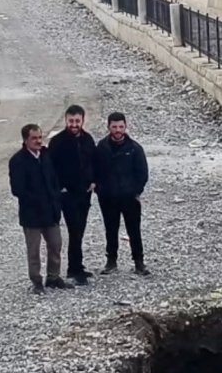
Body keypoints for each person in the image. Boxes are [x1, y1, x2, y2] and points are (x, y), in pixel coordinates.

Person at [9, 124, 72, 294]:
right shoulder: (17, 161)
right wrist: (37, 200)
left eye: (39, 137)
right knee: (34, 250)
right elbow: (17, 189)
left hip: (51, 211)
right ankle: (36, 281)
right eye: (34, 138)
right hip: (32, 214)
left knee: (56, 245)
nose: (38, 141)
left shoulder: (46, 156)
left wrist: (56, 198)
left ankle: (53, 277)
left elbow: (54, 178)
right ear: (25, 140)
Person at [93, 112, 150, 276]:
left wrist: (136, 191)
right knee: (110, 230)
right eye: (114, 127)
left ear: (125, 127)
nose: (118, 130)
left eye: (121, 127)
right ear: (108, 127)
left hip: (129, 198)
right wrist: (100, 191)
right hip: (108, 198)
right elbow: (95, 171)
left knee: (134, 231)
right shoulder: (101, 148)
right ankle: (111, 261)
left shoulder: (135, 149)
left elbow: (142, 173)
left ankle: (139, 262)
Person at [48, 104, 97, 285]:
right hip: (67, 195)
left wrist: (94, 181)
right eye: (71, 121)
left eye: (77, 121)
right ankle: (74, 269)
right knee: (74, 230)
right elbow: (50, 168)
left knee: (80, 230)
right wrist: (60, 188)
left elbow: (94, 161)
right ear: (66, 120)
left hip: (85, 193)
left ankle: (77, 266)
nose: (74, 124)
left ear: (83, 120)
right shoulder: (57, 142)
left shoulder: (88, 139)